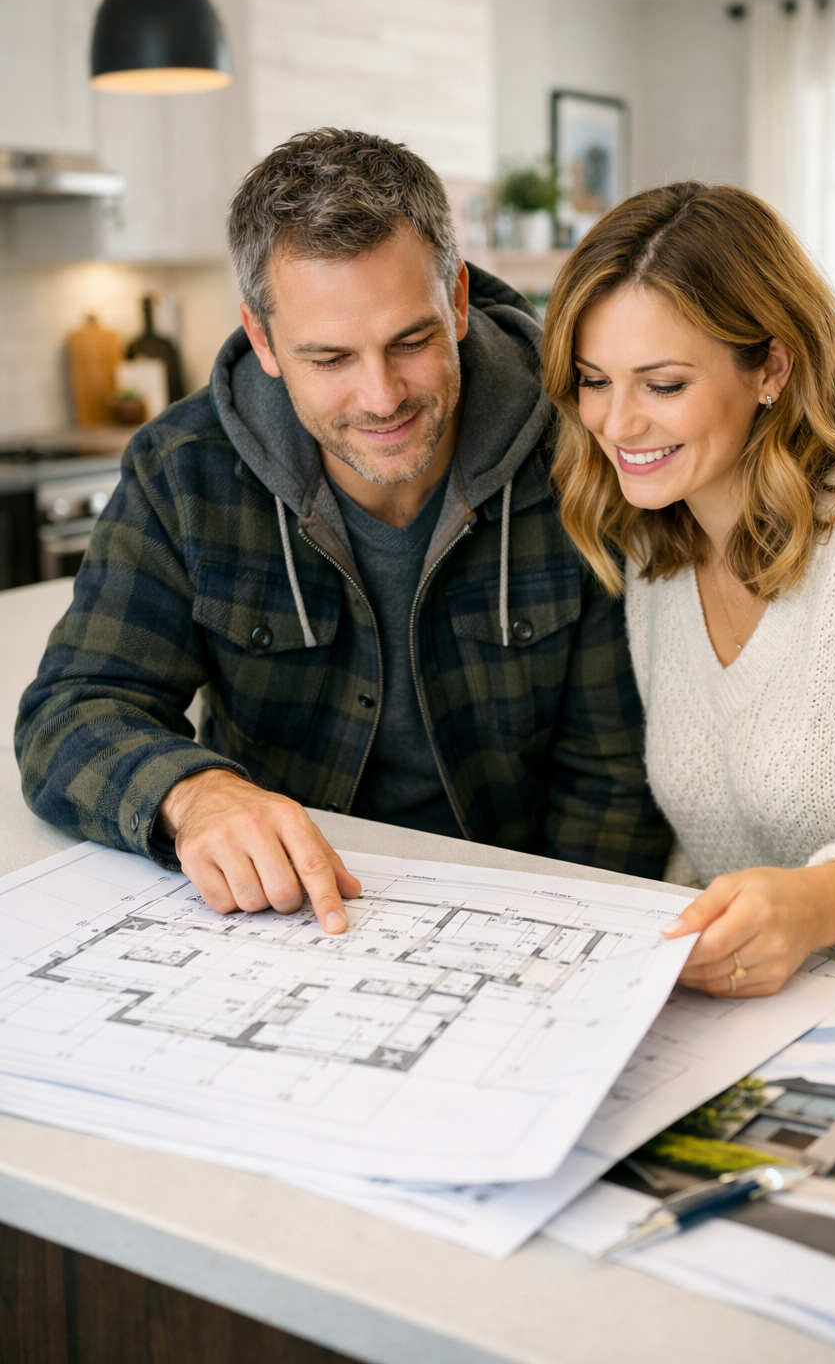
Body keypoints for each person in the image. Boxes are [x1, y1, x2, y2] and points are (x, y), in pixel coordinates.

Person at [17, 130, 669, 934]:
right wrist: (194, 794)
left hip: (520, 916)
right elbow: (71, 710)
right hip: (281, 921)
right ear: (263, 340)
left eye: (412, 341)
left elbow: (611, 780)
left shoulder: (581, 446)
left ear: (458, 299)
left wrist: (571, 942)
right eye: (329, 359)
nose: (381, 396)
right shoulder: (183, 469)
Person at [543, 180, 835, 995]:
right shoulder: (658, 538)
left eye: (662, 386)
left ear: (770, 366)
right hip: (778, 1007)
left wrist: (808, 905)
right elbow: (714, 835)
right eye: (595, 380)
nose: (618, 425)